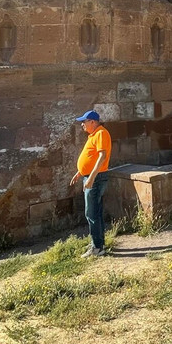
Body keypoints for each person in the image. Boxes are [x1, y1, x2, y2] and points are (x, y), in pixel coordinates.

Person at [69, 109, 111, 257]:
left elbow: (102, 157)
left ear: (92, 122)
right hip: (91, 176)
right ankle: (98, 243)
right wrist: (80, 172)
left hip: (96, 178)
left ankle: (97, 248)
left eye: (84, 122)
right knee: (95, 212)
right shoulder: (93, 135)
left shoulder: (100, 133)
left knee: (91, 212)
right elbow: (91, 157)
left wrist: (91, 177)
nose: (82, 125)